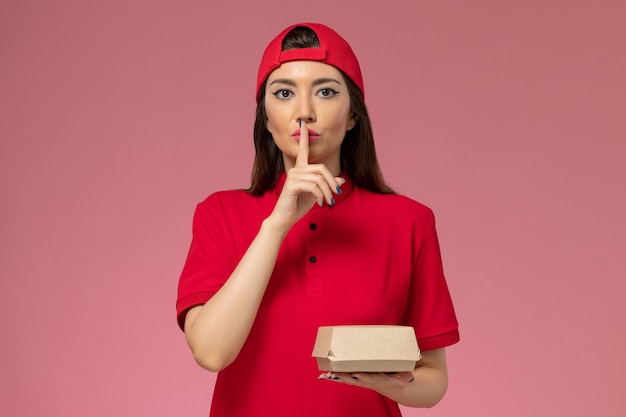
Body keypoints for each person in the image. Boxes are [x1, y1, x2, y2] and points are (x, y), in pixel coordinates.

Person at [176, 22, 459, 417]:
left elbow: (433, 380)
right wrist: (277, 225)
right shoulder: (219, 214)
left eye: (326, 92)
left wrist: (388, 382)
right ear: (266, 118)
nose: (304, 112)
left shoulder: (411, 222)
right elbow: (211, 351)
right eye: (284, 93)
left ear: (353, 117)